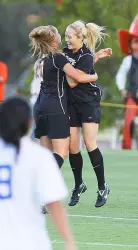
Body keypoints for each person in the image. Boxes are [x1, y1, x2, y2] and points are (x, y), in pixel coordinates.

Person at [0, 96, 78, 250]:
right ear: (30, 123)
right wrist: (69, 241)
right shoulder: (39, 156)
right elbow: (54, 203)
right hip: (32, 243)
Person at [29, 25, 98, 168]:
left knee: (46, 154)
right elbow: (78, 76)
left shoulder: (43, 58)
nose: (63, 36)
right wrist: (94, 76)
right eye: (58, 34)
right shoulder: (58, 57)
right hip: (55, 107)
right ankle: (44, 184)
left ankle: (37, 187)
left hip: (40, 107)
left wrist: (96, 57)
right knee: (61, 152)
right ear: (54, 39)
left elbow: (79, 66)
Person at [63, 20, 111, 208]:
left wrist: (66, 66)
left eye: (70, 37)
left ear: (80, 37)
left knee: (90, 144)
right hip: (71, 104)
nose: (66, 40)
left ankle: (102, 187)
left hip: (89, 102)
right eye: (65, 36)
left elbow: (73, 82)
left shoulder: (85, 55)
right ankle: (78, 185)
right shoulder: (66, 53)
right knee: (73, 147)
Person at [116, 15, 138, 149]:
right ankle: (126, 146)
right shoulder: (128, 60)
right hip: (132, 96)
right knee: (128, 122)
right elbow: (121, 74)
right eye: (135, 41)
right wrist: (122, 89)